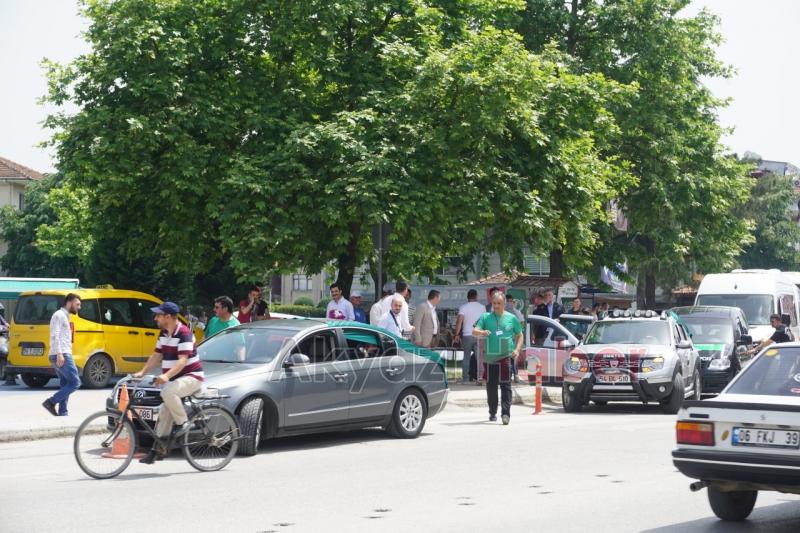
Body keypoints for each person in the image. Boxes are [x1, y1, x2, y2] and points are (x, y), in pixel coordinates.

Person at [134, 301, 204, 464]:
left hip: (192, 377)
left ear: (168, 317)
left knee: (168, 392)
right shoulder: (164, 333)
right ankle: (157, 450)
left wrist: (166, 377)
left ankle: (183, 423)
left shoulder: (184, 333)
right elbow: (156, 356)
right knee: (164, 413)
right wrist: (142, 372)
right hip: (176, 379)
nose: (155, 318)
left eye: (158, 315)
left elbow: (182, 361)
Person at [472, 292, 524, 425]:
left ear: (504, 304)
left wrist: (517, 350)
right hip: (489, 358)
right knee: (491, 387)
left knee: (506, 385)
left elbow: (520, 335)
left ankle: (506, 414)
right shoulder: (485, 317)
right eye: (494, 303)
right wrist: (482, 332)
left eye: (499, 303)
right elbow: (474, 331)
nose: (496, 306)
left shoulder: (512, 318)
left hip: (505, 356)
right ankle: (492, 411)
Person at [41, 293, 82, 417]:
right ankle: (51, 402)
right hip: (60, 353)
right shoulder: (59, 315)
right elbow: (55, 335)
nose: (79, 307)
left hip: (61, 353)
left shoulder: (65, 316)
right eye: (77, 304)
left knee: (65, 382)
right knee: (75, 383)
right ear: (69, 302)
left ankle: (63, 412)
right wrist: (59, 353)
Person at [454, 289, 486, 385]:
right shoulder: (482, 307)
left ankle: (465, 379)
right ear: (476, 296)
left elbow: (459, 322)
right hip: (479, 335)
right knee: (480, 358)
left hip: (467, 335)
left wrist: (456, 334)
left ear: (468, 297)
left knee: (466, 357)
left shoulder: (463, 307)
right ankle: (480, 378)